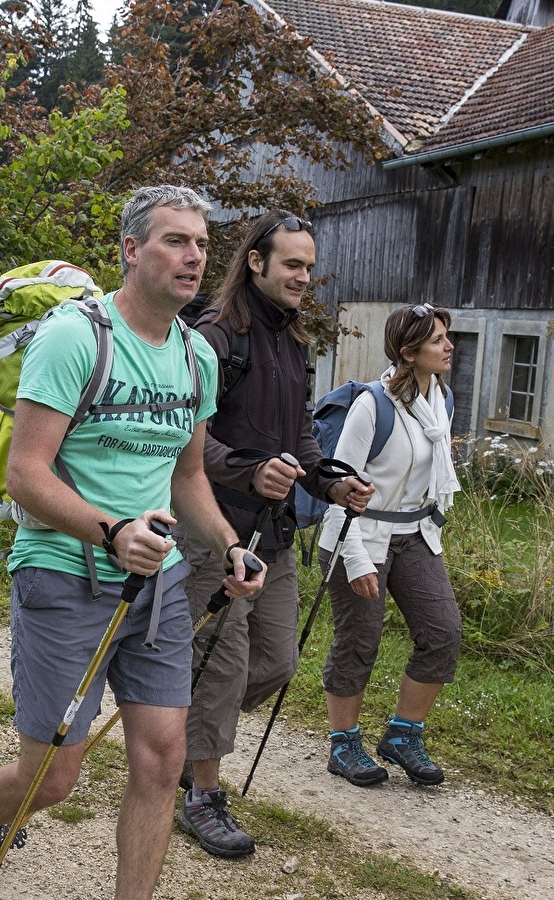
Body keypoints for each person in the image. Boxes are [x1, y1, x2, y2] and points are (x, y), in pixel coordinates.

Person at [0, 186, 265, 900]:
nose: (193, 256)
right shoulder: (73, 337)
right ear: (130, 251)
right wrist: (112, 532)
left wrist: (229, 543)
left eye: (202, 244)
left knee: (161, 758)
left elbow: (185, 476)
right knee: (51, 777)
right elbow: (25, 474)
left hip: (160, 586)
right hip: (62, 573)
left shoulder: (195, 355)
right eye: (175, 241)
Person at [173, 211, 373, 857]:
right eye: (292, 264)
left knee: (276, 664)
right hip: (212, 532)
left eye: (308, 266)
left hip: (274, 534)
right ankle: (202, 794)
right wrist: (247, 471)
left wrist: (331, 482)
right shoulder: (213, 338)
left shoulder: (292, 342)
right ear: (255, 262)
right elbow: (183, 447)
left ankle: (178, 741)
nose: (302, 277)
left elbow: (300, 439)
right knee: (222, 668)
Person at [318, 303, 462, 788]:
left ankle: (403, 734)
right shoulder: (371, 406)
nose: (449, 346)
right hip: (358, 534)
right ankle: (345, 744)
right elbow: (339, 486)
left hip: (414, 534)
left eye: (447, 336)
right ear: (408, 352)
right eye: (438, 339)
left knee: (442, 632)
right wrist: (355, 558)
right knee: (360, 639)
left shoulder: (440, 401)